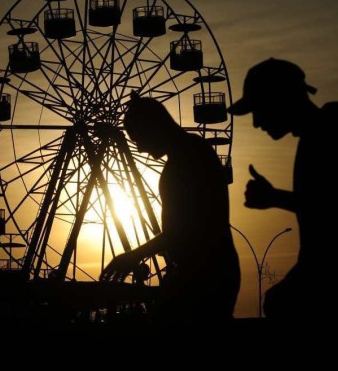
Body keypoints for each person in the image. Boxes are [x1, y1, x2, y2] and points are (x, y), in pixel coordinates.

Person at [228, 58, 338, 319]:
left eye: (258, 109)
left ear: (278, 100)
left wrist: (274, 197)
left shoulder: (324, 140)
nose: (256, 123)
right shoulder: (326, 137)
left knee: (280, 303)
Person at [100, 95, 241, 326]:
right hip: (209, 271)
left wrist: (133, 256)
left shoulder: (185, 161)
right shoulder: (195, 151)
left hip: (203, 275)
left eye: (139, 139)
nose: (141, 149)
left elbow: (181, 232)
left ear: (153, 128)